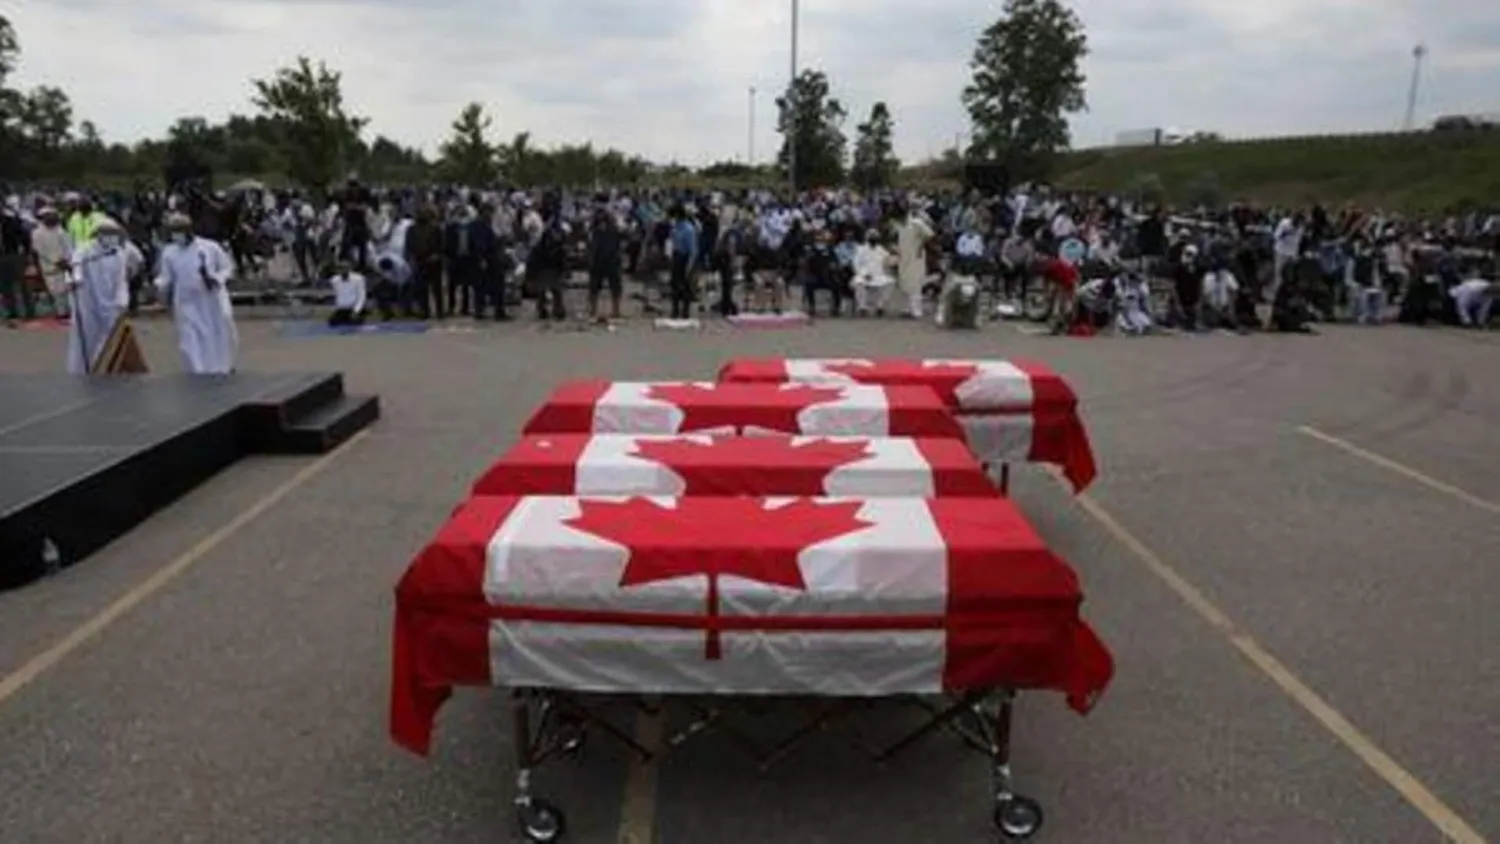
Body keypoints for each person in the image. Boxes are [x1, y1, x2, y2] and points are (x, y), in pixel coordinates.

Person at [154, 213, 239, 374]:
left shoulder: (209, 247)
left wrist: (215, 279)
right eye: (173, 231)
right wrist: (159, 288)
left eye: (179, 230)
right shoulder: (169, 252)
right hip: (187, 302)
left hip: (211, 298)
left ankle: (222, 367)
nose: (176, 235)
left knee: (218, 331)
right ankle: (196, 371)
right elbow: (166, 277)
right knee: (189, 338)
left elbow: (227, 267)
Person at [65, 218, 142, 374]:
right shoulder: (86, 250)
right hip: (89, 302)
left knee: (111, 337)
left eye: (112, 233)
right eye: (106, 233)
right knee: (86, 338)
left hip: (113, 304)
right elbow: (75, 266)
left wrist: (125, 292)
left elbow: (132, 268)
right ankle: (81, 371)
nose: (110, 237)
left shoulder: (122, 250)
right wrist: (76, 279)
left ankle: (106, 368)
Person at [31, 207, 74, 319]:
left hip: (64, 265)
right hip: (49, 266)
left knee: (66, 289)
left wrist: (68, 260)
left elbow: (68, 246)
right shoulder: (37, 234)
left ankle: (67, 311)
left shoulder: (60, 231)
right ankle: (61, 312)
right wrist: (56, 261)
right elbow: (40, 251)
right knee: (56, 291)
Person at [895, 204, 934, 318]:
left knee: (915, 284)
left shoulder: (916, 223)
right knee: (904, 282)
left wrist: (921, 246)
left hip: (915, 258)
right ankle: (907, 309)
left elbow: (930, 234)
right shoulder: (901, 226)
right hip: (904, 258)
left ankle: (916, 311)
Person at [666, 204, 698, 319]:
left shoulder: (688, 229)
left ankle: (685, 310)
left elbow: (692, 249)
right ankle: (675, 309)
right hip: (676, 256)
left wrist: (689, 265)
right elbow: (672, 242)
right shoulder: (675, 227)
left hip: (685, 257)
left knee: (685, 285)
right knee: (674, 284)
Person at [326, 262, 368, 327]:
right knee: (332, 323)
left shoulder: (358, 279)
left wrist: (356, 311)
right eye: (341, 269)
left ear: (349, 269)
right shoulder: (335, 280)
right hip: (342, 308)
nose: (343, 270)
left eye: (345, 268)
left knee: (354, 323)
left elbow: (361, 297)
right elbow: (336, 293)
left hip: (354, 308)